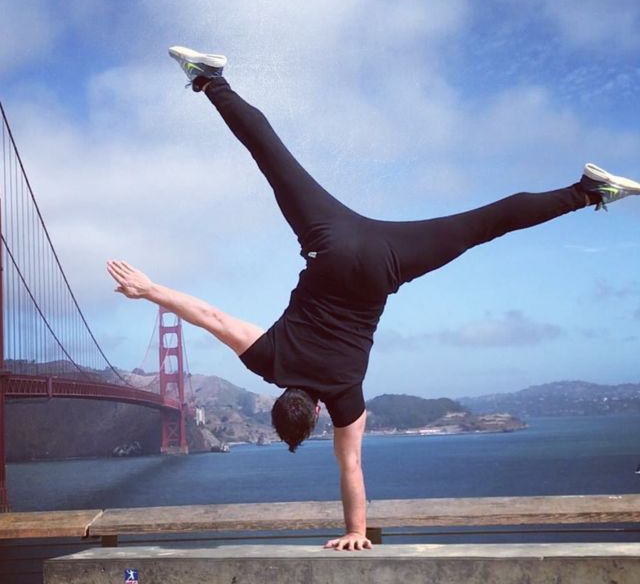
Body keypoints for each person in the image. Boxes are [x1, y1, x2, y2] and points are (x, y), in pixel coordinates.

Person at [107, 46, 640, 551]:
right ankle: (209, 79)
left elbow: (352, 468)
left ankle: (589, 191)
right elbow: (209, 315)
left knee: (485, 224)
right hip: (331, 241)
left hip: (389, 261)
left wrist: (355, 530)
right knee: (270, 156)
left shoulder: (344, 398)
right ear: (280, 398)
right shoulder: (268, 360)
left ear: (316, 413)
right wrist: (148, 289)